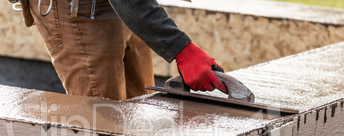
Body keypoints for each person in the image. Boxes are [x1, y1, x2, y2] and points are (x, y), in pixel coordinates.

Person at [14, 0, 227, 100]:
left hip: (127, 4)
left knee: (137, 112)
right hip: (78, 8)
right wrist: (183, 51)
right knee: (104, 130)